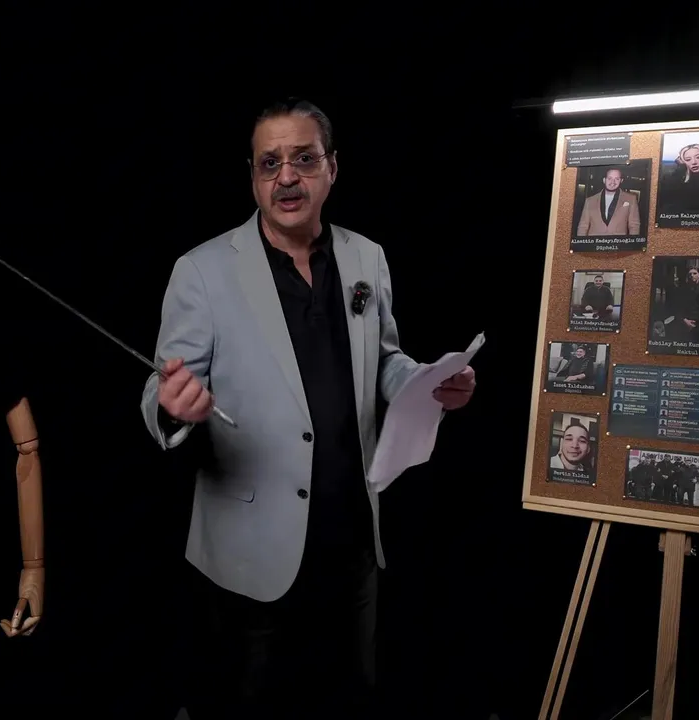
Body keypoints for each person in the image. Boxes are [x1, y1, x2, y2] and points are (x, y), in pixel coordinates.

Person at [140, 98, 476, 719]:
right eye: (270, 163)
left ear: (332, 168)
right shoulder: (202, 271)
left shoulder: (367, 258)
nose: (287, 177)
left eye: (304, 159)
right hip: (250, 554)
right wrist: (172, 408)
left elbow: (385, 359)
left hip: (351, 545)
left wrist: (426, 382)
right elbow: (161, 388)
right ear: (252, 176)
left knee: (348, 700)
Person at [577, 167, 641, 236]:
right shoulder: (590, 201)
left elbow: (634, 226)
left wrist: (631, 242)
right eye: (609, 178)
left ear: (621, 180)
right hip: (594, 242)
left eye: (617, 179)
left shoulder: (631, 199)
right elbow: (583, 227)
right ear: (604, 180)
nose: (613, 182)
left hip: (618, 242)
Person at [666, 266, 699, 341]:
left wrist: (692, 323)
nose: (692, 275)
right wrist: (685, 320)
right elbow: (677, 307)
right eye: (690, 274)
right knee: (673, 336)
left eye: (694, 273)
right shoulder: (681, 289)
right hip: (684, 317)